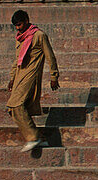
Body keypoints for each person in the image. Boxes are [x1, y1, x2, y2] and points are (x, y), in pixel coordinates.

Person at [7, 9, 59, 152]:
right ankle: (40, 138)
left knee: (16, 105)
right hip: (19, 75)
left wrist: (54, 76)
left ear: (27, 20)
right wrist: (12, 78)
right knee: (13, 109)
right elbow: (17, 60)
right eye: (16, 26)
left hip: (31, 74)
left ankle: (33, 137)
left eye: (20, 24)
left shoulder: (39, 35)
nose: (18, 28)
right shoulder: (21, 38)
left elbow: (50, 57)